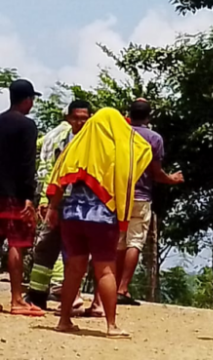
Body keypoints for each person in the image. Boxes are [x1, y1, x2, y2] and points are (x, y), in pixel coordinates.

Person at [45, 107, 153, 338]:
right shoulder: (119, 151)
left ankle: (64, 320)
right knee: (105, 269)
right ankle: (111, 325)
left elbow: (60, 178)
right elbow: (141, 157)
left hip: (73, 215)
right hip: (102, 216)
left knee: (74, 267)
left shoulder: (77, 146)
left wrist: (53, 208)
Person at [113, 99, 183, 306]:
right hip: (141, 196)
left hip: (118, 195)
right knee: (135, 241)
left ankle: (111, 286)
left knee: (118, 241)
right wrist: (172, 179)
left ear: (129, 113)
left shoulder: (119, 133)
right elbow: (156, 172)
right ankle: (123, 288)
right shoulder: (154, 138)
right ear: (149, 117)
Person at [26, 100, 92, 312]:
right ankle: (36, 296)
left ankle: (71, 297)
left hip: (82, 204)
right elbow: (52, 173)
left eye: (84, 118)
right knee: (46, 247)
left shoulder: (94, 143)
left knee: (74, 251)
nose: (80, 122)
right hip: (59, 201)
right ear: (68, 118)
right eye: (76, 118)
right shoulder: (60, 140)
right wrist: (47, 201)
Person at [0, 79, 41, 316]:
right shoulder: (27, 126)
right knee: (16, 244)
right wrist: (29, 196)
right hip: (15, 194)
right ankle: (17, 299)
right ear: (27, 100)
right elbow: (27, 163)